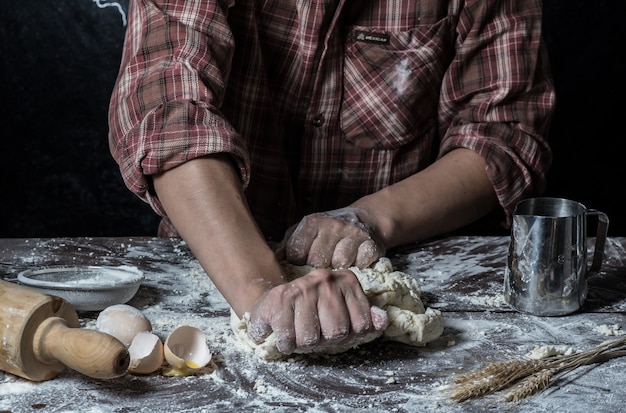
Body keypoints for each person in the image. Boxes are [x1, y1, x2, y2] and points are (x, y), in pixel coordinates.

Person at [108, 0, 554, 355]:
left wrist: (372, 219)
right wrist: (260, 290)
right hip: (214, 269)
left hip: (413, 268)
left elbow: (504, 136)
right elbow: (166, 115)